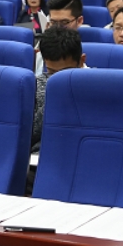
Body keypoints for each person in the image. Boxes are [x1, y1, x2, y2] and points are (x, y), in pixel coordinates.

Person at [32, 27, 87, 155]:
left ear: (81, 61)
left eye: (65, 72)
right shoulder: (36, 86)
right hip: (41, 155)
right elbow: (29, 136)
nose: (58, 80)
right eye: (52, 72)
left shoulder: (98, 87)